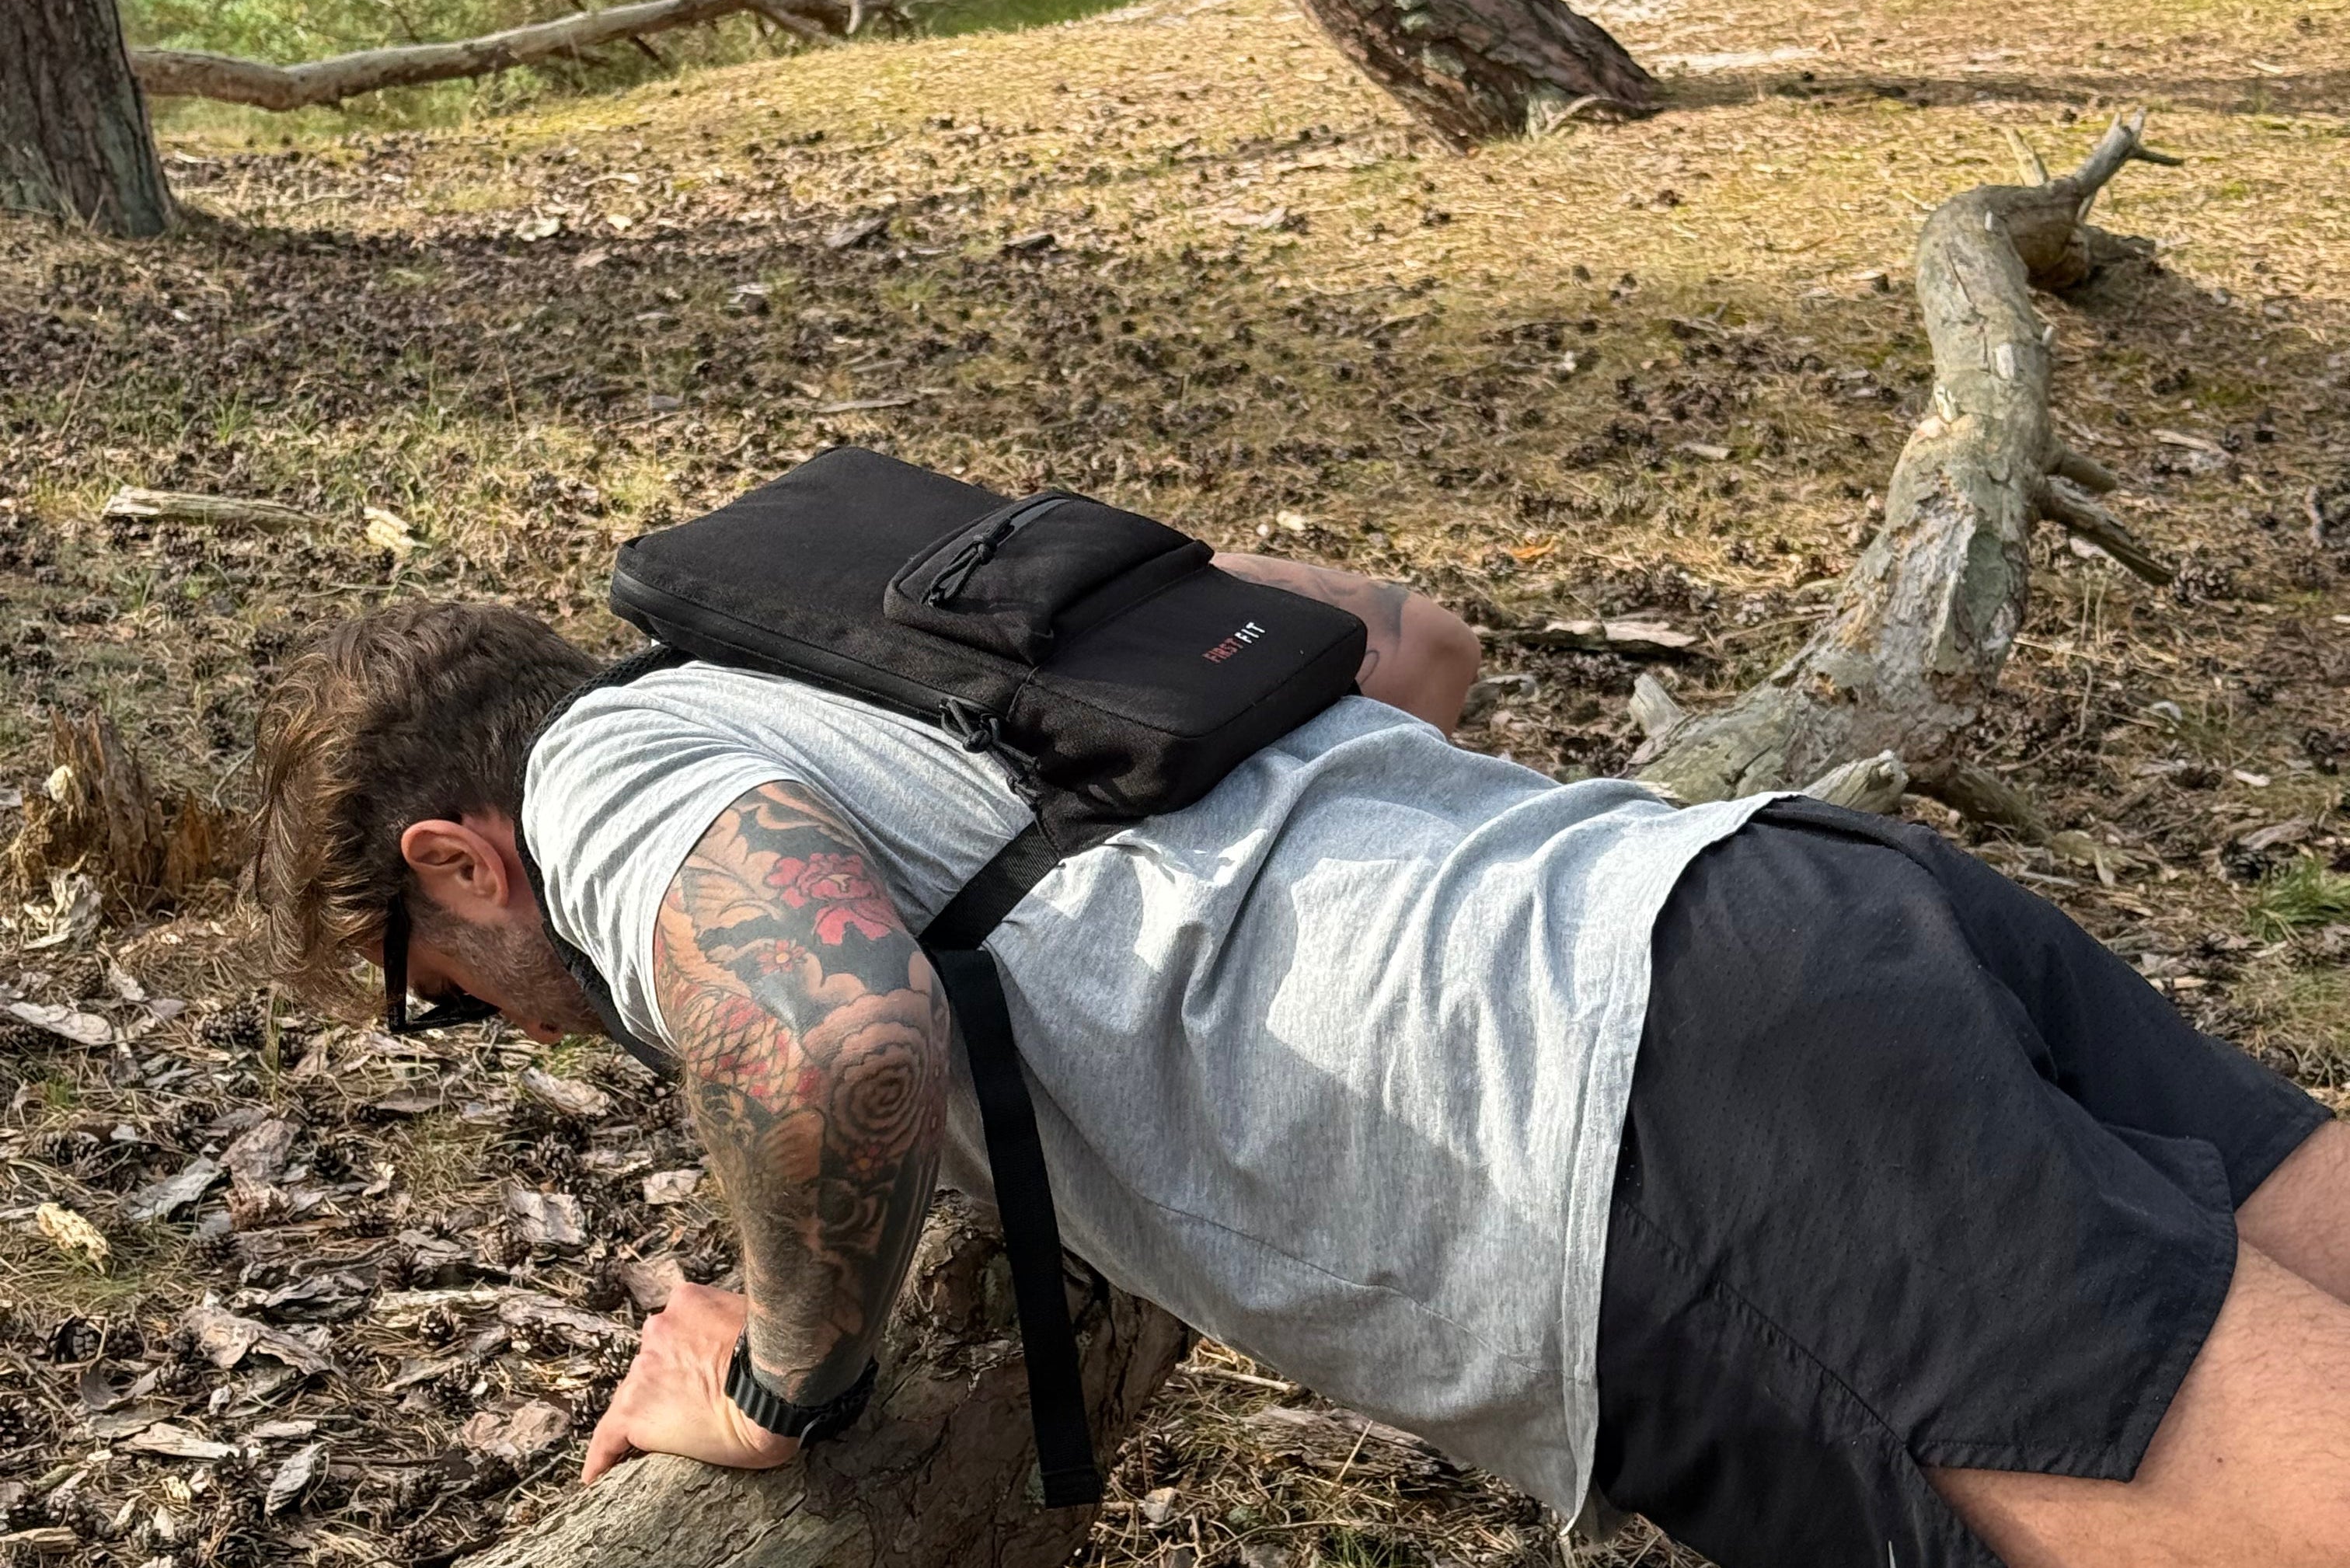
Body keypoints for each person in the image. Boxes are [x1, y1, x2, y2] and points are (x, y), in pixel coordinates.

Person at [247, 556, 2350, 1568]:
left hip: (1647, 1135)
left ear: (458, 859)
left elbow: (834, 1037)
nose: (510, 1024)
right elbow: (1413, 647)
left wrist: (781, 1380)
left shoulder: (602, 781)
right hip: (1776, 898)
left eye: (447, 989)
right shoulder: (842, 636)